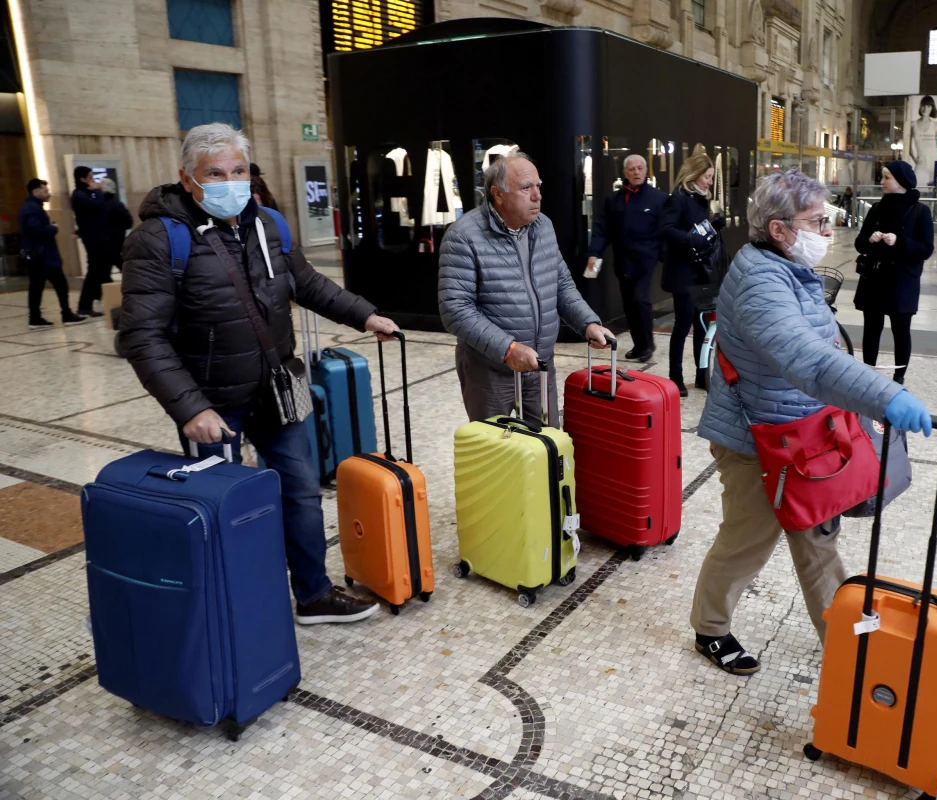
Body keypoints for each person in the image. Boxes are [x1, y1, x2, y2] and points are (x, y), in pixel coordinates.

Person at [119, 122, 399, 624]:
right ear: (188, 179)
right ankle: (236, 611)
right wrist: (190, 408)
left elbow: (307, 283)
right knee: (221, 510)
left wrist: (364, 314)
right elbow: (142, 336)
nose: (230, 182)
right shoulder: (158, 240)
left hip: (277, 388)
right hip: (212, 403)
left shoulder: (267, 223)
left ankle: (313, 595)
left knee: (301, 494)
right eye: (216, 173)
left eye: (239, 170)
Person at [690, 168, 933, 674]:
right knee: (747, 541)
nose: (827, 232)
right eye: (817, 221)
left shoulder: (785, 268)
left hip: (802, 433)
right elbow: (809, 361)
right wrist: (884, 396)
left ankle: (844, 644)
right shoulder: (759, 280)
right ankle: (710, 627)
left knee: (819, 540)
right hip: (756, 440)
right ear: (779, 228)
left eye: (829, 220)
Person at [438, 152, 615, 426]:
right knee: (495, 453)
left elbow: (561, 284)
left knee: (547, 445)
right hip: (490, 370)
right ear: (498, 194)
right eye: (526, 188)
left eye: (538, 186)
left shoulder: (543, 227)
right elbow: (455, 310)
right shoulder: (463, 236)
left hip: (540, 365)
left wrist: (588, 323)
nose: (537, 196)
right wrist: (508, 349)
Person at [853, 161, 934, 385]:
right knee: (871, 328)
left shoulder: (920, 211)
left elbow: (926, 249)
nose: (882, 182)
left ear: (901, 181)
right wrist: (869, 240)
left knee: (900, 330)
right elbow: (859, 243)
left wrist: (899, 241)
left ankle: (899, 377)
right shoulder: (877, 209)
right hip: (874, 278)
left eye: (886, 177)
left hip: (902, 281)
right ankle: (869, 371)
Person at [587, 154, 668, 362]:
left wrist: (665, 256)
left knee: (640, 300)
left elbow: (666, 230)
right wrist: (594, 253)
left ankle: (647, 344)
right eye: (632, 169)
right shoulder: (613, 200)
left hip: (646, 260)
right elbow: (602, 229)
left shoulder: (658, 199)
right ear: (625, 173)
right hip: (623, 260)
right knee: (629, 305)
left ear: (646, 170)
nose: (636, 172)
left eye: (640, 168)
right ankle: (639, 345)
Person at [660, 150, 720, 397]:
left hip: (699, 272)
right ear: (694, 175)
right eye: (707, 176)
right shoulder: (678, 199)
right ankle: (676, 375)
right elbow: (665, 230)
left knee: (702, 325)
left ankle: (702, 373)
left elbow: (700, 229)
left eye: (711, 177)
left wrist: (713, 228)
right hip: (682, 273)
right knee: (683, 325)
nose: (710, 181)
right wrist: (689, 238)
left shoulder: (701, 199)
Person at [19, 179, 88, 329]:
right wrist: (53, 228)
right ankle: (66, 315)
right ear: (35, 192)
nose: (48, 193)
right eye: (45, 191)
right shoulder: (32, 208)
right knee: (60, 285)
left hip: (37, 255)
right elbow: (37, 229)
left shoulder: (31, 206)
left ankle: (35, 318)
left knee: (36, 287)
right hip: (44, 257)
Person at [71, 166, 110, 317]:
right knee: (94, 271)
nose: (94, 181)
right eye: (91, 178)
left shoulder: (86, 194)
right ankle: (84, 305)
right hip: (93, 239)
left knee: (99, 270)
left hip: (98, 237)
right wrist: (98, 191)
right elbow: (97, 206)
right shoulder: (79, 195)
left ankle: (95, 298)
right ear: (83, 179)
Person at [99, 178, 133, 274]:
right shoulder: (116, 204)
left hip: (111, 240)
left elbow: (128, 222)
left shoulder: (106, 205)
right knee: (114, 261)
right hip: (114, 240)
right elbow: (128, 222)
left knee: (113, 260)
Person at [909, 95, 937, 188]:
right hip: (921, 160)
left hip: (933, 160)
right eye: (924, 105)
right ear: (920, 106)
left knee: (933, 188)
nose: (925, 109)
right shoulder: (913, 124)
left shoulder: (936, 125)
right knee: (915, 186)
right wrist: (914, 158)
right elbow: (909, 145)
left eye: (929, 106)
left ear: (932, 108)